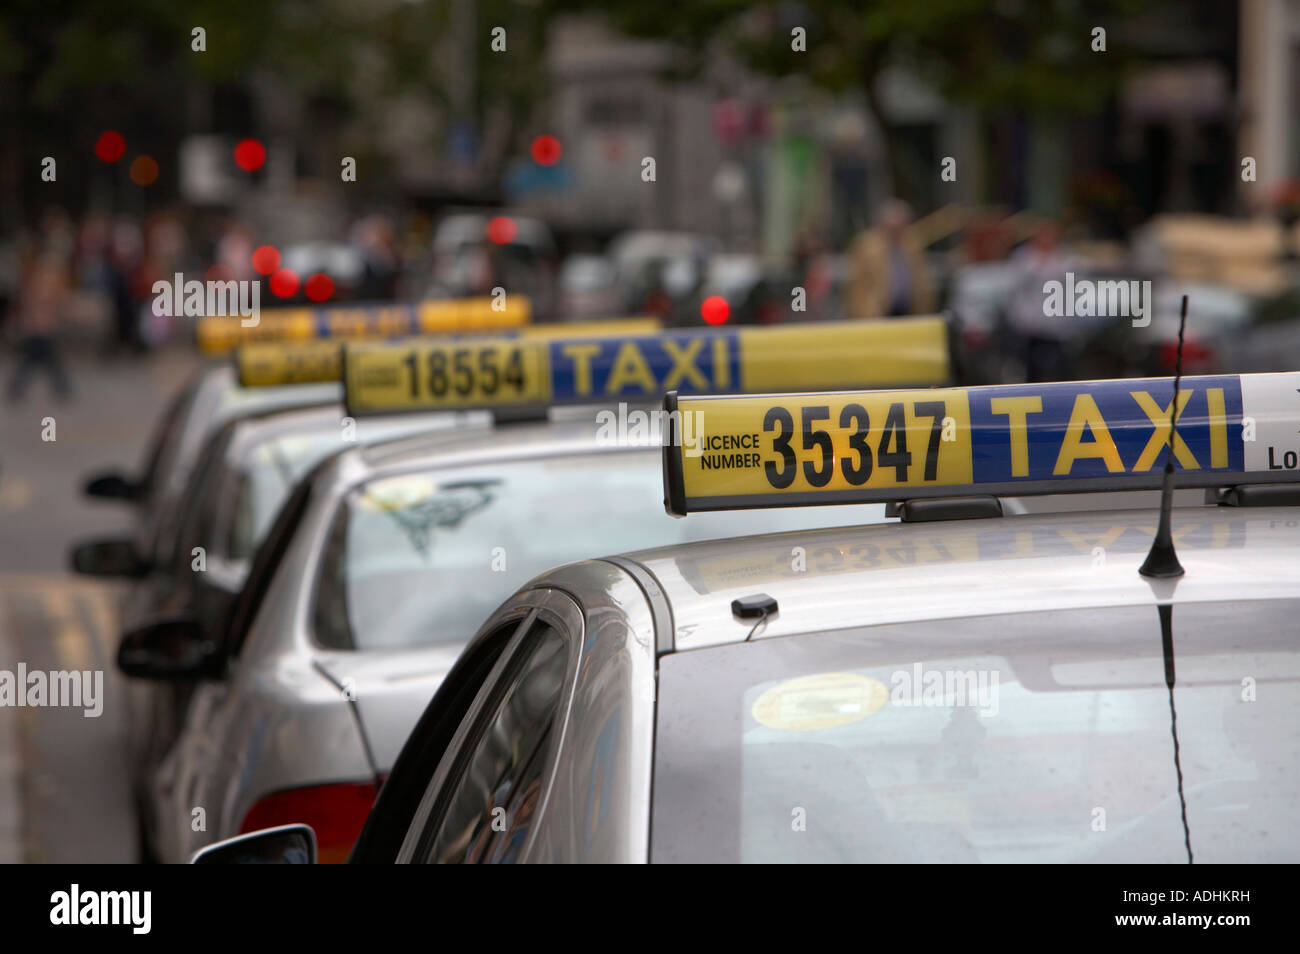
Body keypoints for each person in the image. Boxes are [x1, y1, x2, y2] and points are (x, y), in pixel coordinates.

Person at [845, 199, 935, 318]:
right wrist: (860, 313)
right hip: (877, 312)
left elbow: (921, 280)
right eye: (893, 227)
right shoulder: (866, 246)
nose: (897, 232)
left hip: (908, 311)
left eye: (901, 226)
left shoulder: (912, 244)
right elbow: (856, 286)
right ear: (882, 225)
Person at [7, 246, 72, 402]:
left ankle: (18, 388)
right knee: (40, 359)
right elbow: (31, 307)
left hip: (43, 328)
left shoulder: (48, 284)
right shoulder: (38, 284)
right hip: (38, 328)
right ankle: (60, 389)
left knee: (40, 359)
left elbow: (56, 307)